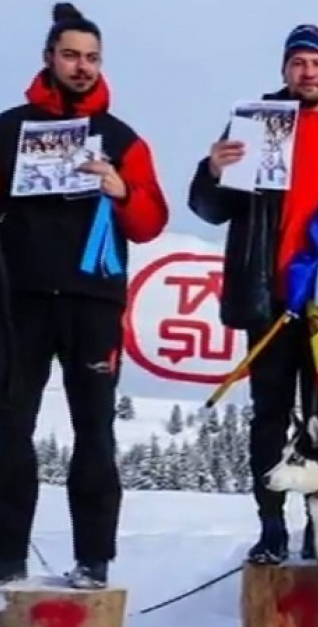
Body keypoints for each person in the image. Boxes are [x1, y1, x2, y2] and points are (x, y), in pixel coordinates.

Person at [188, 24, 318, 564]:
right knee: (269, 417)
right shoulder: (255, 125)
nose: (307, 72)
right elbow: (210, 209)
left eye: (317, 63)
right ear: (284, 70)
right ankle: (270, 525)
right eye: (298, 63)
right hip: (271, 297)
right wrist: (213, 170)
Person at [0, 3, 169, 588]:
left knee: (94, 429)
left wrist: (122, 190)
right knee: (8, 427)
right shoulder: (10, 127)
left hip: (93, 304)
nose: (82, 67)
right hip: (19, 302)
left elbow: (150, 222)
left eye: (92, 58)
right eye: (71, 55)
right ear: (48, 58)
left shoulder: (123, 139)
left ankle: (93, 559)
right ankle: (6, 559)